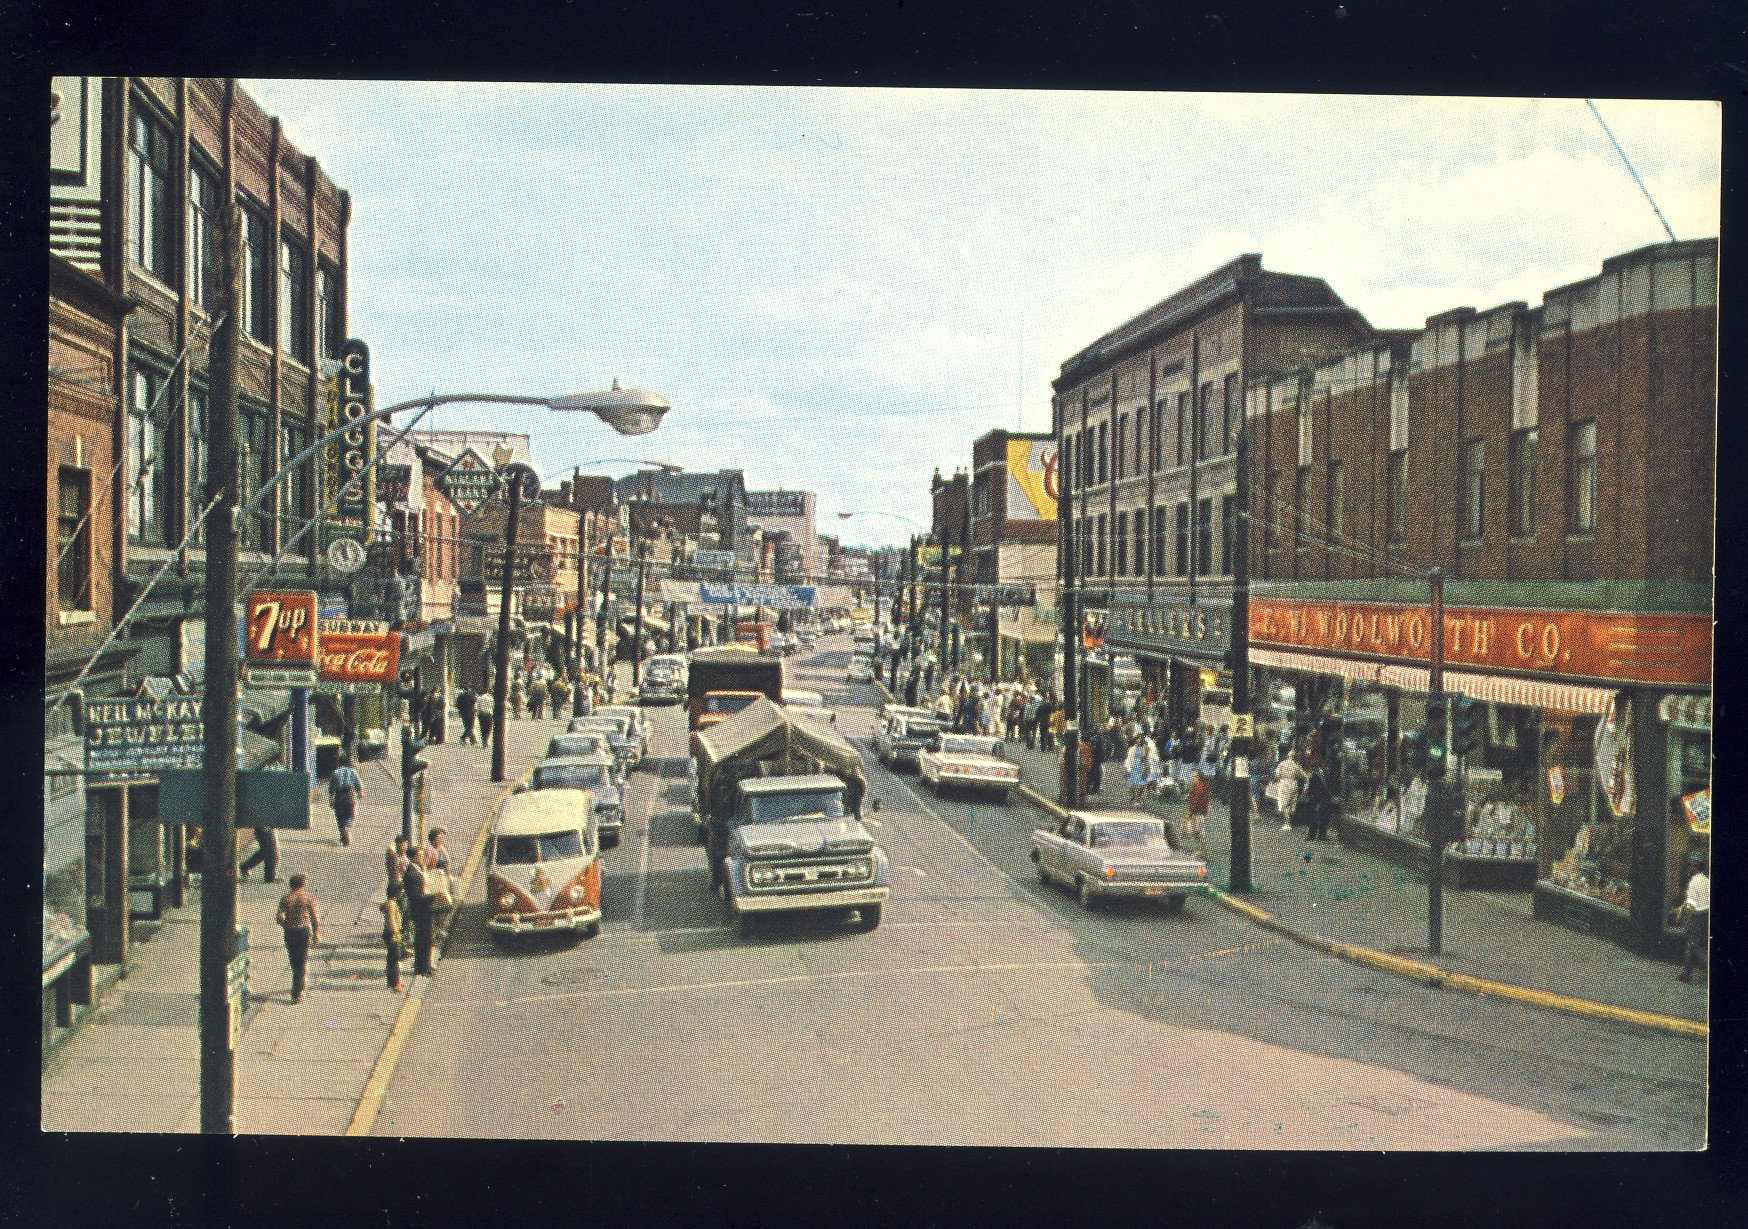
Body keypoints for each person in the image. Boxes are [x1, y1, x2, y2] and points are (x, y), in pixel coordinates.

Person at [274, 873, 319, 1004]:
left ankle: (298, 987)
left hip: (290, 932)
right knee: (302, 961)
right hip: (303, 931)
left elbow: (279, 916)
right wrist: (316, 933)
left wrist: (286, 925)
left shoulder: (286, 898)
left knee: (294, 962)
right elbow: (314, 918)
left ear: (291, 885)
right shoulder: (308, 898)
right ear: (302, 885)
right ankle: (298, 992)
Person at [1677, 853, 1710, 982]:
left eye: (1691, 864)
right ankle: (1686, 974)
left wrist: (1683, 917)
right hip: (1706, 916)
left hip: (1697, 918)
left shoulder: (1693, 882)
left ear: (1694, 866)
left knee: (1694, 946)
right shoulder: (1707, 881)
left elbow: (1691, 905)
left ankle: (1707, 966)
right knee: (1692, 945)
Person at [403, 854, 435, 977]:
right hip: (420, 911)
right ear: (414, 857)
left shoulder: (418, 870)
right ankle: (423, 967)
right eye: (421, 856)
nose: (423, 858)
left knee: (427, 939)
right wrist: (432, 897)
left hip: (424, 910)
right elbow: (416, 897)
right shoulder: (411, 875)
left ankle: (425, 964)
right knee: (424, 939)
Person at [328, 754, 363, 847]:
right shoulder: (353, 772)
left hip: (339, 796)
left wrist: (331, 799)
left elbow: (331, 788)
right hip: (350, 795)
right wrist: (360, 794)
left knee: (340, 816)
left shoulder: (335, 772)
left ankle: (343, 833)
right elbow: (358, 785)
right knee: (350, 815)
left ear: (339, 762)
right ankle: (347, 829)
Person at [1274, 751, 1309, 831]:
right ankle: (1289, 821)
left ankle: (1287, 823)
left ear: (1287, 756)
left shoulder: (1282, 764)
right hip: (1294, 784)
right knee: (1292, 804)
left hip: (1284, 785)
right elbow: (1305, 776)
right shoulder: (1296, 766)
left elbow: (1277, 774)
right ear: (1295, 757)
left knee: (1284, 804)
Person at [380, 894, 406, 993]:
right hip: (392, 934)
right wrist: (397, 934)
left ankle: (395, 981)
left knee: (393, 959)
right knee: (394, 959)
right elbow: (392, 921)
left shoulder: (392, 903)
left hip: (392, 933)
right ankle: (395, 984)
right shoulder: (391, 904)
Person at [1304, 764, 1337, 841]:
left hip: (1315, 800)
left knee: (1314, 817)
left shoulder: (1313, 776)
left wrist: (1309, 796)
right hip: (1325, 799)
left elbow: (1310, 789)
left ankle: (1311, 836)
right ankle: (1321, 836)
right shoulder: (1328, 776)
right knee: (1324, 818)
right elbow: (1333, 787)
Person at [1125, 733, 1158, 805]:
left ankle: (1138, 798)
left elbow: (1147, 758)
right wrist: (1129, 768)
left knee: (1142, 785)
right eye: (1137, 739)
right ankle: (1136, 799)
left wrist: (1148, 768)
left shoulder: (1145, 748)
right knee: (1135, 784)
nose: (1139, 740)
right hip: (1134, 767)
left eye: (1140, 739)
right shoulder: (1132, 749)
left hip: (1142, 767)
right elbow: (1129, 759)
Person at [1185, 768, 1212, 844]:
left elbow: (1196, 798)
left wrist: (1192, 809)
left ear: (1199, 777)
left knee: (1197, 823)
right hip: (1201, 808)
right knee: (1199, 823)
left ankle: (1197, 837)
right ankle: (1198, 836)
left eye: (1195, 776)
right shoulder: (1202, 784)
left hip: (1198, 808)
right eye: (1193, 776)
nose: (1193, 778)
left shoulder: (1199, 785)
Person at [384, 834, 410, 906]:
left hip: (403, 885)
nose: (404, 847)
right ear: (397, 846)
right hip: (399, 886)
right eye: (402, 845)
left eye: (405, 845)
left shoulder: (406, 857)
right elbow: (389, 851)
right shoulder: (394, 858)